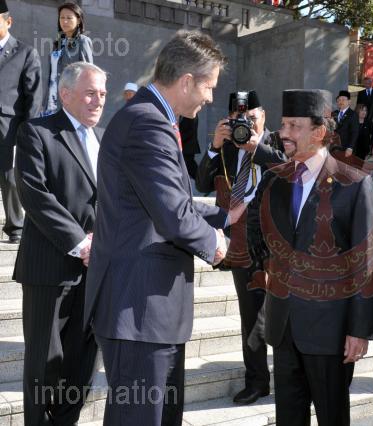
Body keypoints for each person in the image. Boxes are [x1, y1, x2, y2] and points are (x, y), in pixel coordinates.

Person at [84, 30, 229, 424]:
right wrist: (218, 244)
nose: (210, 98)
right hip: (140, 310)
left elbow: (167, 199)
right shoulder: (148, 123)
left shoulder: (151, 117)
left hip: (147, 313)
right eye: (209, 87)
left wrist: (227, 217)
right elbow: (173, 216)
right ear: (187, 81)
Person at [247, 89, 373, 426]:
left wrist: (359, 330)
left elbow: (365, 265)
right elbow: (257, 231)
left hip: (331, 333)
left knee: (332, 417)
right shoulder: (274, 180)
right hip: (283, 326)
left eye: (294, 125)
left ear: (319, 132)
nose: (284, 133)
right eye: (283, 124)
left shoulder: (354, 184)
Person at [15, 61, 105, 426]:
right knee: (44, 363)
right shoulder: (37, 132)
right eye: (90, 93)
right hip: (49, 270)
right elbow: (34, 195)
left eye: (102, 93)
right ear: (65, 94)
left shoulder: (105, 139)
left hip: (97, 271)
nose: (99, 101)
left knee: (84, 362)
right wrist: (80, 243)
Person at [195, 90, 285, 405]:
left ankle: (292, 378)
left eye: (250, 116)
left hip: (279, 243)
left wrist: (255, 148)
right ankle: (257, 381)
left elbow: (289, 169)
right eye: (237, 118)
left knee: (286, 313)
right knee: (251, 314)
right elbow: (202, 184)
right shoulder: (228, 148)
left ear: (264, 115)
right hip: (242, 241)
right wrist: (214, 147)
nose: (244, 123)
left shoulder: (279, 140)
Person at [0, 0, 42, 244]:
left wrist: (28, 130)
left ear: (9, 21)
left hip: (9, 125)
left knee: (9, 177)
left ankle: (15, 227)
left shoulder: (25, 52)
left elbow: (33, 96)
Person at [43, 2, 93, 115]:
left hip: (70, 102)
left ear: (78, 20)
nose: (64, 21)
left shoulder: (83, 41)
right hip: (51, 101)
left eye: (69, 18)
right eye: (62, 18)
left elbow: (88, 74)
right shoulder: (58, 42)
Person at [332, 90, 359, 156]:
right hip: (334, 147)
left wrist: (350, 147)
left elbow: (355, 132)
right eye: (339, 100)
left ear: (349, 101)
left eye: (343, 100)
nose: (341, 102)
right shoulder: (334, 113)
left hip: (346, 148)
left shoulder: (353, 114)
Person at [179, 114, 201, 180]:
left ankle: (203, 180)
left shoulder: (190, 114)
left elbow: (187, 132)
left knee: (189, 166)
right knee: (189, 166)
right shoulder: (190, 114)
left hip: (187, 146)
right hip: (187, 146)